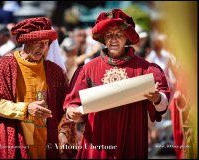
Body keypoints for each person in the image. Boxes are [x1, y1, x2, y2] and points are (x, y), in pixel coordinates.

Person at [64, 9, 170, 159]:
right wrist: (73, 113)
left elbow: (163, 107)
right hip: (98, 142)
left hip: (131, 139)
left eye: (119, 34)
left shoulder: (146, 69)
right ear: (103, 39)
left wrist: (157, 98)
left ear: (127, 37)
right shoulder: (87, 70)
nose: (113, 39)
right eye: (109, 35)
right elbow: (72, 105)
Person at [0, 17, 76, 159]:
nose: (43, 48)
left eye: (46, 43)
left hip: (45, 144)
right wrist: (26, 109)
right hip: (13, 140)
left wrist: (62, 132)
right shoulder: (1, 66)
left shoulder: (55, 72)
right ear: (26, 42)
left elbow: (66, 106)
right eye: (38, 43)